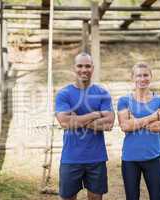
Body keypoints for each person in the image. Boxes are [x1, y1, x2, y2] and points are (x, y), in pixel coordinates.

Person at [55, 52, 115, 200]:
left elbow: (109, 123)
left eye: (87, 66)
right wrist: (95, 115)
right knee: (68, 197)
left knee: (96, 198)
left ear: (93, 68)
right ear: (74, 68)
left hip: (96, 157)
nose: (84, 69)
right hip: (71, 157)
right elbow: (64, 122)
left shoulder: (102, 93)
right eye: (80, 66)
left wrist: (77, 119)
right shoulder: (64, 94)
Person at [117, 62, 160, 200]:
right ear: (133, 78)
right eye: (138, 75)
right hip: (130, 159)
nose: (142, 79)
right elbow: (124, 127)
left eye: (145, 75)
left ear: (151, 76)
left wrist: (135, 122)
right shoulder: (124, 100)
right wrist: (152, 117)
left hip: (153, 157)